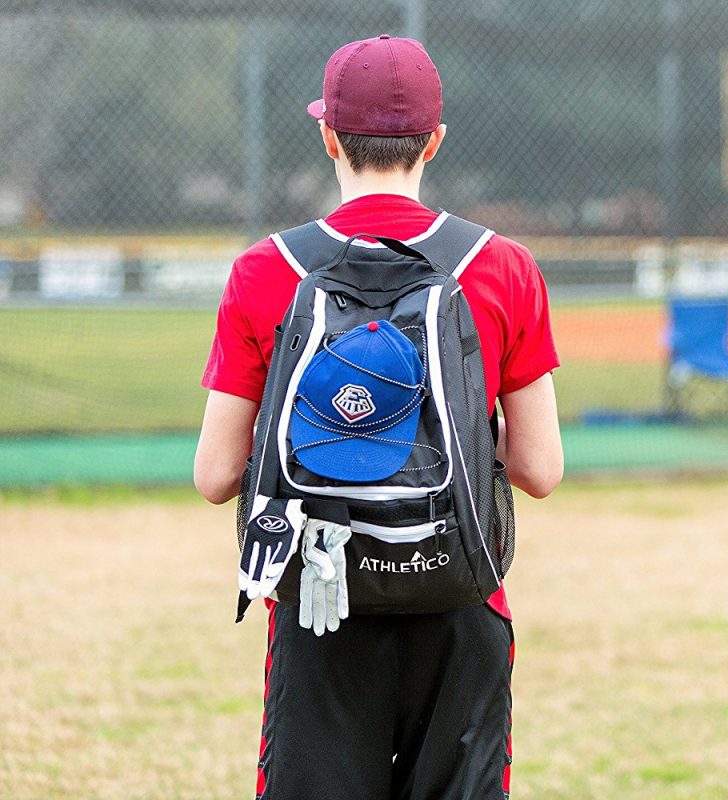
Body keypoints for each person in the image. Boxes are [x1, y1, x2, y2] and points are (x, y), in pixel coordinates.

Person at [193, 35, 563, 800]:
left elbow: (216, 475)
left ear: (328, 135)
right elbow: (539, 470)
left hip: (318, 601)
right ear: (435, 140)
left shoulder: (267, 270)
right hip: (459, 597)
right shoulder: (502, 266)